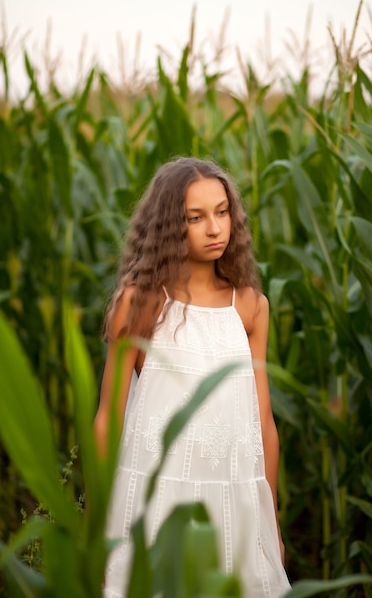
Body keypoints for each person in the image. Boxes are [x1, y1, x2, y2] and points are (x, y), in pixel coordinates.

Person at [94, 157, 291, 598]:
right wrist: (95, 529)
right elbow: (107, 419)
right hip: (152, 503)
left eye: (222, 212)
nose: (215, 228)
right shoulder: (141, 304)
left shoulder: (249, 307)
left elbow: (264, 424)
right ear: (167, 225)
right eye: (195, 218)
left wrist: (269, 521)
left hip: (234, 508)